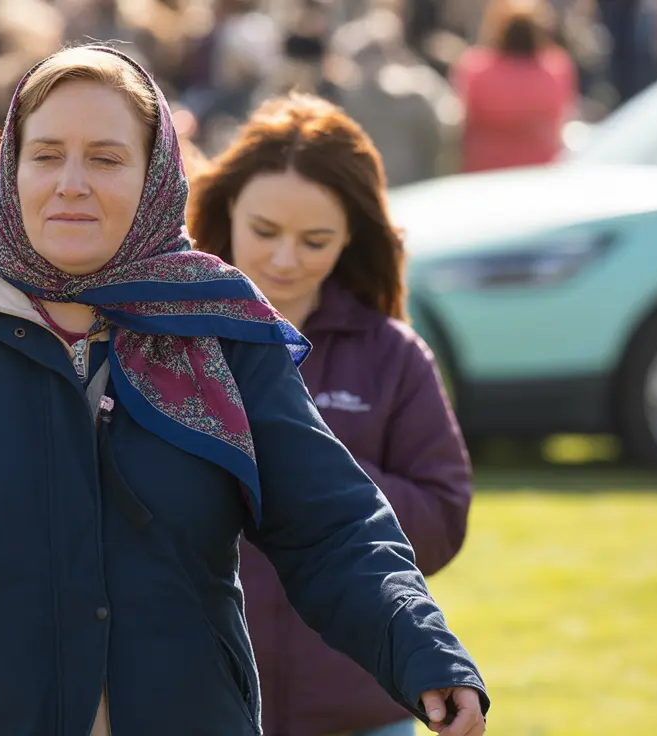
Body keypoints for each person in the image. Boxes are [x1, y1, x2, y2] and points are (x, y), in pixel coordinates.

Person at [0, 44, 489, 736]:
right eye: (46, 155)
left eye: (106, 159)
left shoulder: (221, 326)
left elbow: (332, 524)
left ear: (155, 175)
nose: (71, 182)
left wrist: (422, 648)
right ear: (13, 169)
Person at [187, 93, 474, 736]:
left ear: (351, 236)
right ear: (226, 211)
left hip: (362, 712)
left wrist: (314, 464)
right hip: (204, 702)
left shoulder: (394, 355)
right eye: (264, 232)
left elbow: (443, 515)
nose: (285, 260)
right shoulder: (168, 344)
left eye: (315, 240)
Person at [450, 0, 578, 172]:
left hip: (483, 175)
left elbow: (461, 122)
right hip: (537, 175)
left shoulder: (475, 69)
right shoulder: (556, 71)